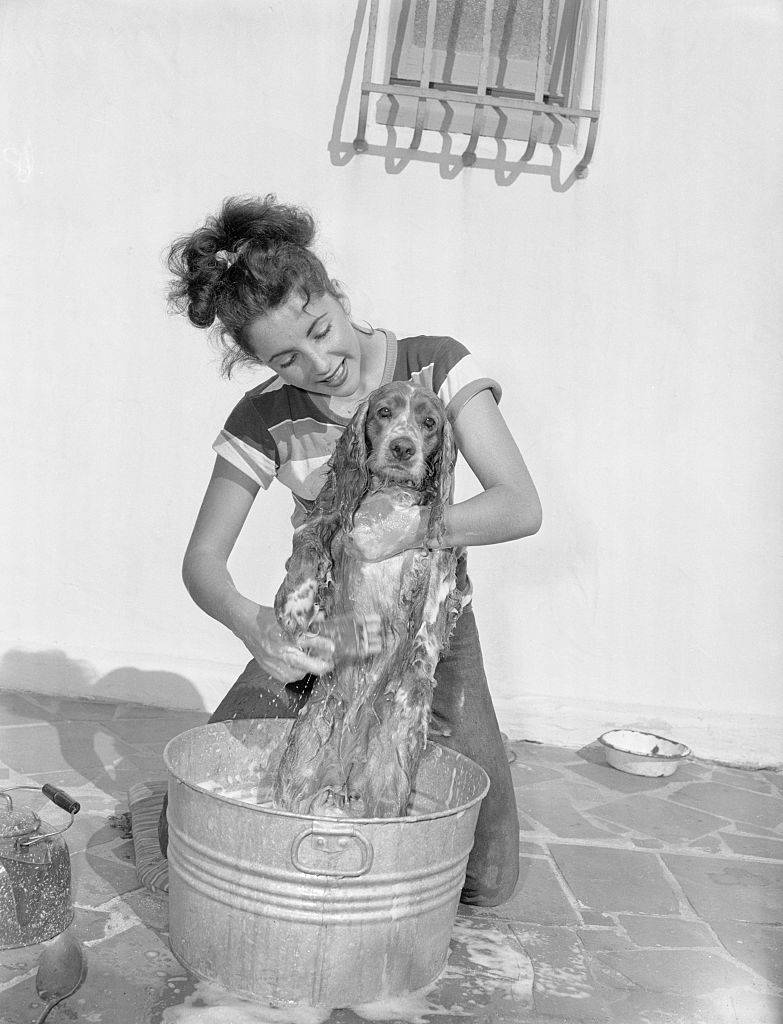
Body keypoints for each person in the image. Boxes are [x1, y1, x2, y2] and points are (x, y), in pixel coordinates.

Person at [160, 194, 542, 907]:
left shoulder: (435, 368)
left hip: (431, 631)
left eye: (320, 328)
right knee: (178, 831)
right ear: (259, 366)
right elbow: (202, 562)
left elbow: (519, 505)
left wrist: (419, 528)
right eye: (286, 359)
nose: (320, 362)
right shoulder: (264, 418)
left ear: (335, 293)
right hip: (323, 629)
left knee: (484, 879)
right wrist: (252, 624)